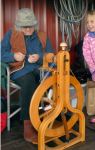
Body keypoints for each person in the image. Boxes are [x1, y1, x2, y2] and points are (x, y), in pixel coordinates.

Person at [1, 8, 54, 142]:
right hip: (19, 71)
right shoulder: (11, 34)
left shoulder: (41, 35)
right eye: (25, 27)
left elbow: (51, 55)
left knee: (52, 79)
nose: (29, 29)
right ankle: (28, 125)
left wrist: (40, 57)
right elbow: (1, 54)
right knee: (29, 82)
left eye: (31, 26)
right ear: (19, 26)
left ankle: (48, 114)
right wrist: (14, 56)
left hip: (39, 69)